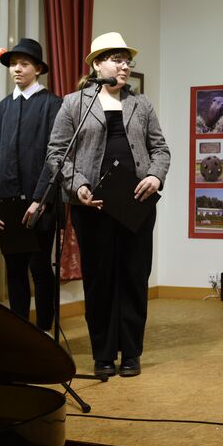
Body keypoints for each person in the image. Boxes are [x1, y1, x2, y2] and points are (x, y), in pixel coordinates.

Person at [46, 32, 170, 378]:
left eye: (127, 60)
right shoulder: (75, 104)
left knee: (134, 278)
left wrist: (155, 176)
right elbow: (56, 153)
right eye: (117, 59)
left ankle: (131, 352)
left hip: (136, 205)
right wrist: (78, 185)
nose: (124, 66)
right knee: (99, 281)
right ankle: (102, 355)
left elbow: (161, 149)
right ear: (97, 64)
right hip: (93, 207)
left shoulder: (141, 104)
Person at [0, 38, 63, 331]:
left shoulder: (52, 104)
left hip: (40, 201)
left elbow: (55, 157)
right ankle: (20, 332)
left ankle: (44, 331)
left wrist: (40, 199)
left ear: (38, 69)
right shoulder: (3, 107)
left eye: (24, 63)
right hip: (5, 201)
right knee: (14, 269)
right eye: (13, 64)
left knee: (40, 268)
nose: (17, 68)